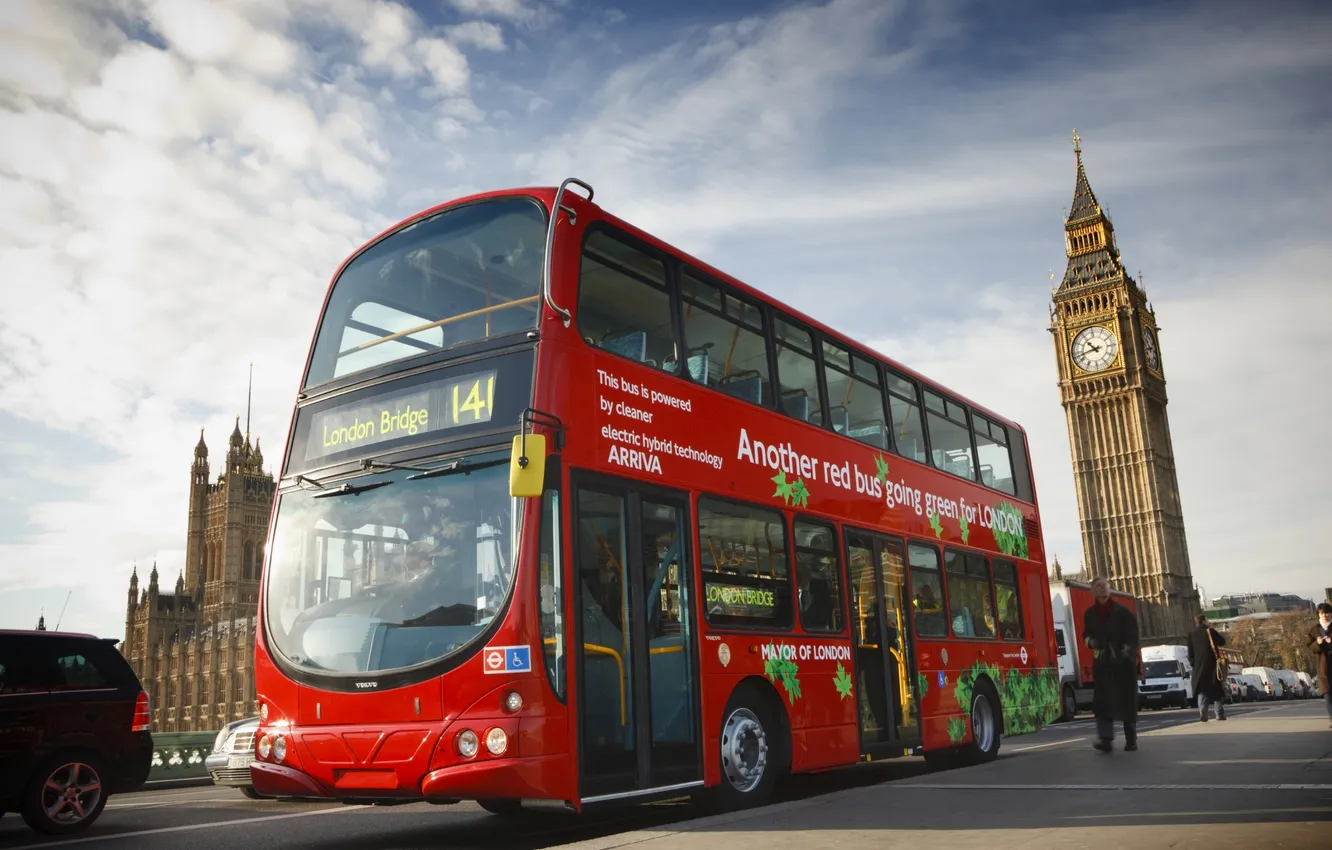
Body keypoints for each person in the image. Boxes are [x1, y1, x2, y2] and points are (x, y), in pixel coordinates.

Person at [1082, 576, 1141, 752]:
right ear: (1092, 591)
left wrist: (1126, 655)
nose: (1102, 588)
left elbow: (1133, 637)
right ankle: (1106, 739)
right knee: (1102, 703)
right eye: (1098, 586)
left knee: (1127, 702)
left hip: (1123, 664)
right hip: (1103, 663)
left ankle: (1131, 739)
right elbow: (1086, 635)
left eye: (1105, 585)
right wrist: (1091, 642)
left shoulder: (1123, 612)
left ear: (1109, 589)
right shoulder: (1089, 614)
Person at [1187, 613, 1227, 721]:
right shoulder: (1210, 632)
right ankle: (1219, 713)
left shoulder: (1191, 634)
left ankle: (1203, 708)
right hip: (1212, 665)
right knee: (1216, 689)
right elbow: (1222, 642)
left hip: (1198, 667)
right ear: (1204, 621)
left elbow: (1190, 653)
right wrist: (1211, 628)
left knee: (1202, 690)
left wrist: (1194, 664)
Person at [1307, 602, 1332, 728]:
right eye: (1322, 614)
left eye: (1327, 613)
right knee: (1328, 695)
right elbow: (1310, 647)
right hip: (1323, 668)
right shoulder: (1314, 630)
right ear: (1318, 615)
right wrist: (1317, 643)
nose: (1325, 616)